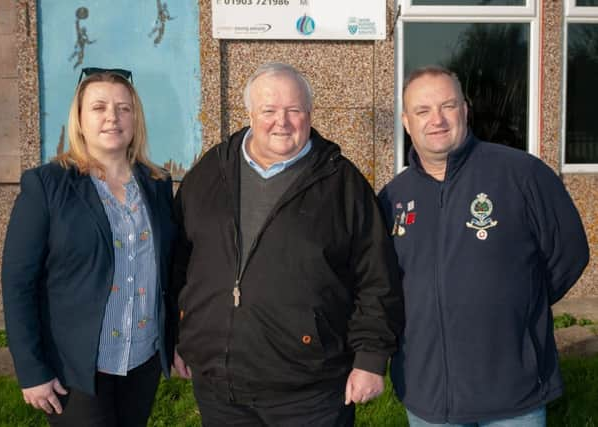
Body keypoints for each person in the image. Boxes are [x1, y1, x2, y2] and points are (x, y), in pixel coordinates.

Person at [171, 62, 404, 426]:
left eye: (294, 110)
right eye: (269, 110)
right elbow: (179, 264)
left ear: (309, 114)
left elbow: (376, 277)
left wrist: (371, 359)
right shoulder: (208, 174)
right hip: (221, 390)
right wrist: (179, 335)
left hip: (311, 391)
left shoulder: (342, 184)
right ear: (249, 113)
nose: (282, 121)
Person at [379, 65, 589, 426]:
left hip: (513, 394)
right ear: (406, 121)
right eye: (422, 111)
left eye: (447, 105)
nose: (437, 120)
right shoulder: (393, 197)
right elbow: (381, 282)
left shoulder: (521, 174)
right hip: (428, 394)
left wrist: (519, 304)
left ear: (465, 109)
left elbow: (569, 253)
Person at [2, 68, 177, 427]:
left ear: (135, 119)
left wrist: (174, 340)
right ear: (79, 120)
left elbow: (170, 269)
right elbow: (18, 282)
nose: (113, 117)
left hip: (141, 359)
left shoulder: (157, 184)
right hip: (76, 368)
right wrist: (32, 369)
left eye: (123, 108)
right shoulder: (47, 186)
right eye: (99, 107)